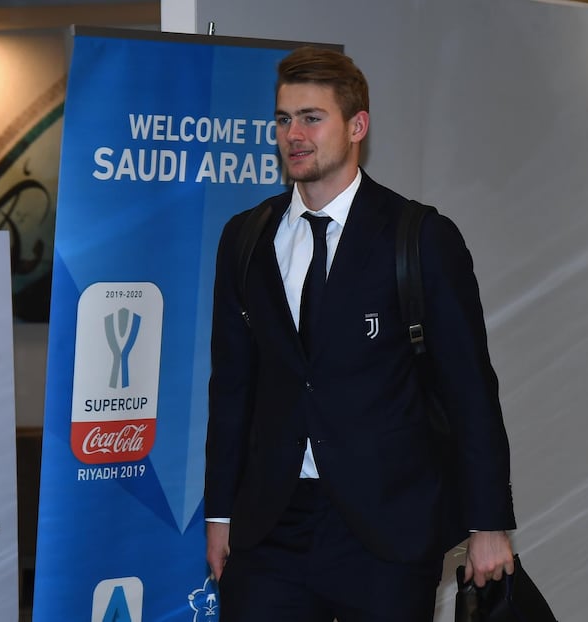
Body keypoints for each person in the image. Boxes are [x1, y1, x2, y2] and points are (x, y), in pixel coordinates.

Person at [204, 45, 515, 622]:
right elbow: (232, 389)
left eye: (311, 117)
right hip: (271, 526)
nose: (294, 134)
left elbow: (469, 387)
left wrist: (487, 522)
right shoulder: (244, 238)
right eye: (283, 119)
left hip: (386, 530)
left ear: (357, 126)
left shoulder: (418, 237)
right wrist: (219, 514)